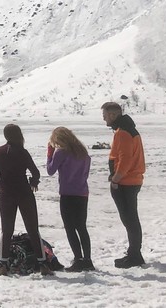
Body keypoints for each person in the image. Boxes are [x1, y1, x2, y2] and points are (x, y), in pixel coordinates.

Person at [0, 123, 50, 275]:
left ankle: (3, 265)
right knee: (33, 229)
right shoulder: (23, 152)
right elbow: (35, 172)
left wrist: (0, 187)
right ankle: (43, 265)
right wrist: (33, 183)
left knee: (7, 230)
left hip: (6, 194)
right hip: (24, 193)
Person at [102, 101, 146, 268]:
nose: (104, 119)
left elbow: (125, 159)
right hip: (130, 180)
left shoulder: (123, 133)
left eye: (105, 115)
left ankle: (135, 255)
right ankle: (134, 253)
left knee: (130, 219)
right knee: (130, 218)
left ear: (113, 115)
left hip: (126, 182)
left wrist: (116, 179)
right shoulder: (128, 129)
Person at [47, 126, 93, 271]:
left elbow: (50, 170)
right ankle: (87, 259)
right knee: (81, 227)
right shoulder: (82, 152)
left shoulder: (61, 152)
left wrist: (50, 153)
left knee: (70, 228)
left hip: (68, 193)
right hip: (82, 193)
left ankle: (78, 258)